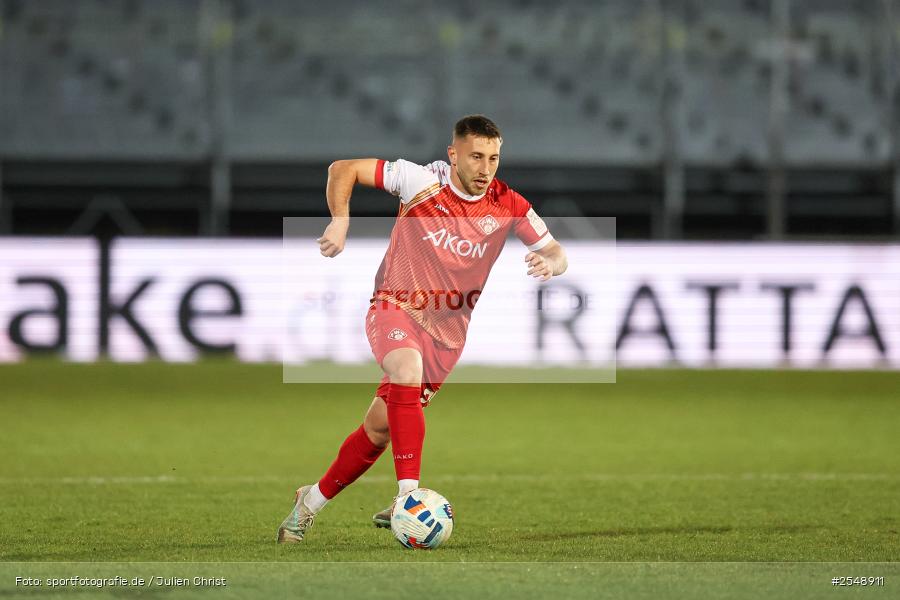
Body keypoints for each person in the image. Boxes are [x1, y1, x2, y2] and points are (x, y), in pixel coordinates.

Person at [277, 115, 568, 543]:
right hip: (395, 307)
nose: (485, 168)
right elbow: (343, 168)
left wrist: (552, 263)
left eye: (493, 158)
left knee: (379, 429)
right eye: (475, 157)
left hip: (447, 335)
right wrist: (340, 219)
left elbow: (556, 250)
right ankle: (407, 496)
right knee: (406, 372)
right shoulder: (418, 180)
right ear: (453, 155)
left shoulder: (508, 204)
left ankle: (310, 502)